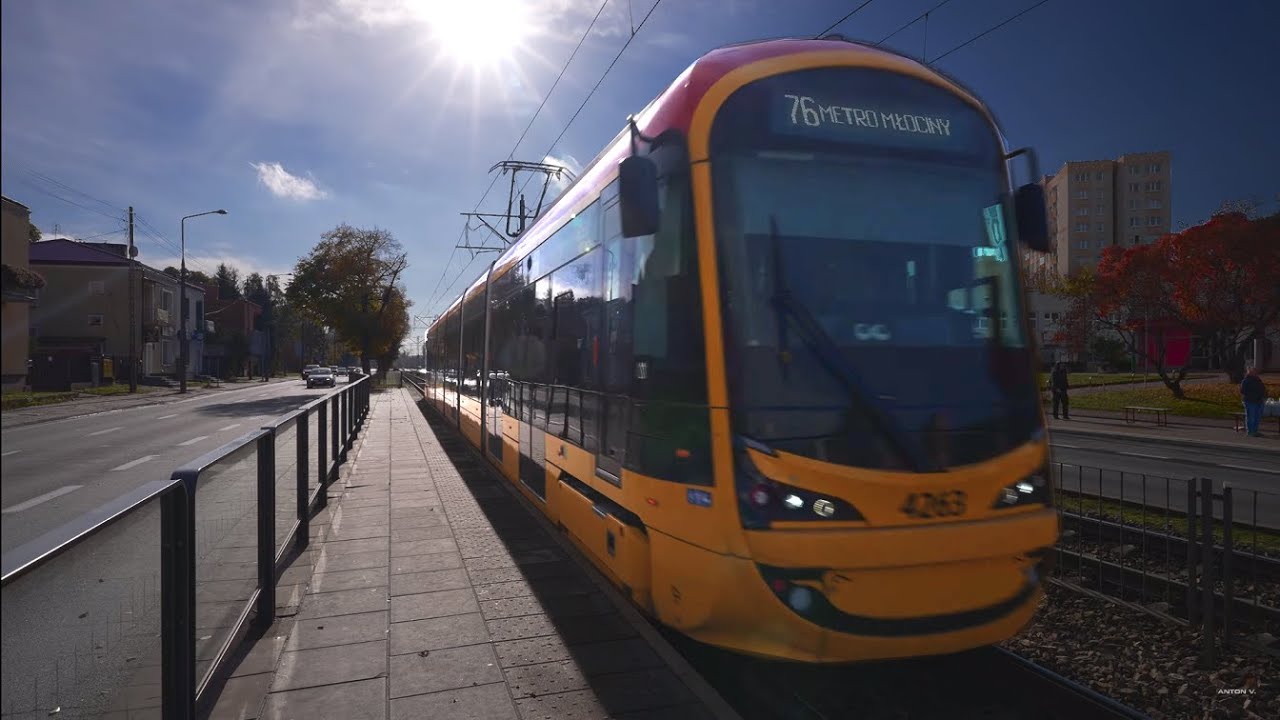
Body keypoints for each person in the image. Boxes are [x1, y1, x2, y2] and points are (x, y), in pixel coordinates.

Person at [1240, 366, 1266, 437]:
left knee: (1257, 417)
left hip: (1259, 401)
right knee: (1251, 417)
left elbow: (1263, 389)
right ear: (1249, 372)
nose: (1255, 373)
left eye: (1255, 371)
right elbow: (1243, 391)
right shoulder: (1246, 381)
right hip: (1250, 401)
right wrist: (1252, 395)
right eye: (1253, 371)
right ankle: (1250, 431)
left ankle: (1255, 431)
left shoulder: (1258, 380)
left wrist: (1263, 396)